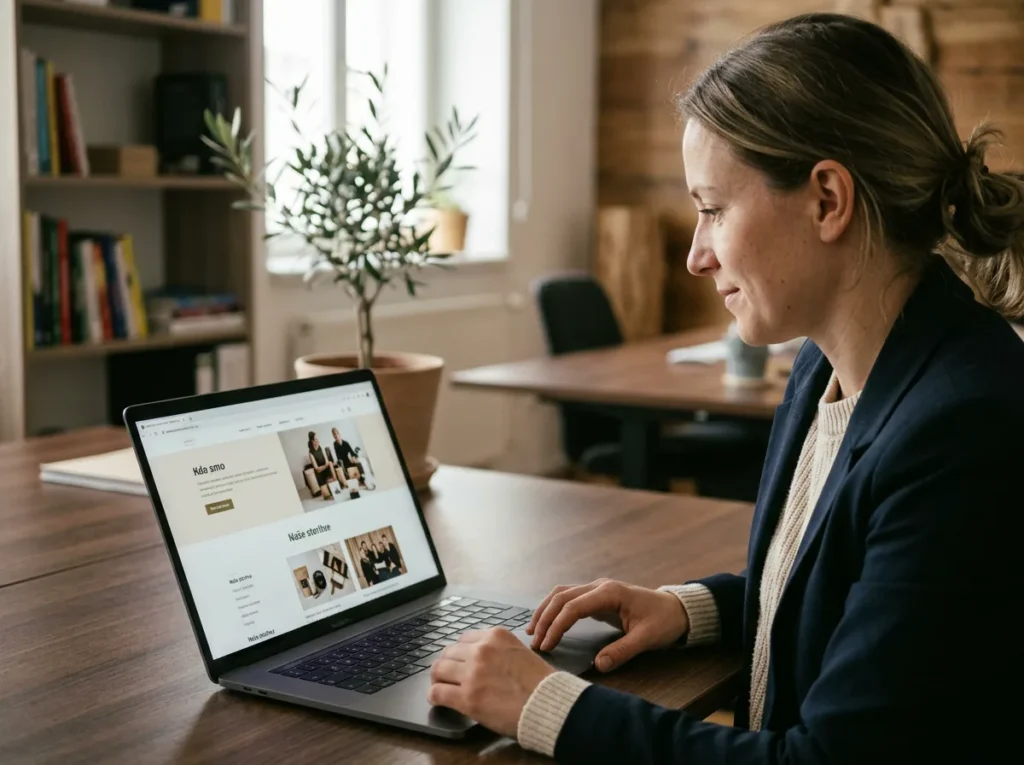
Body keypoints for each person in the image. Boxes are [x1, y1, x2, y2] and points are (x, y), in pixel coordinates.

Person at [425, 13, 1024, 764]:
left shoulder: (961, 429)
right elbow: (848, 600)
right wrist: (688, 608)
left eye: (712, 209)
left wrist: (544, 703)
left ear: (827, 200)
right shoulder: (824, 365)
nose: (695, 257)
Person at [306, 431, 337, 500]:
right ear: (312, 441)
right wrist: (325, 466)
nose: (318, 440)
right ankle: (330, 485)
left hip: (325, 468)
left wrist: (326, 465)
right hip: (320, 473)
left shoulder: (321, 448)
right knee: (327, 495)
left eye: (317, 438)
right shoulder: (311, 453)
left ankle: (334, 480)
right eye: (316, 439)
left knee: (330, 463)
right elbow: (317, 469)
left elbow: (326, 460)